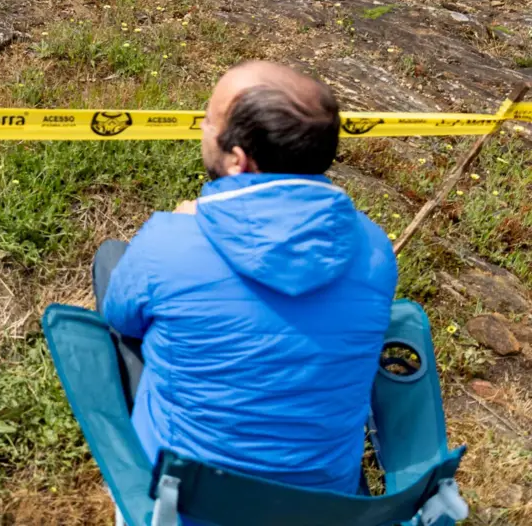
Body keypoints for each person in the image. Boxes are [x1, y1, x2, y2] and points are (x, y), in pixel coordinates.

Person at [94, 61, 398, 494]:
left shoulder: (172, 241)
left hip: (183, 505)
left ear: (238, 159)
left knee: (113, 262)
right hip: (324, 506)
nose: (201, 125)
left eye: (210, 119)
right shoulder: (373, 248)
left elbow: (122, 318)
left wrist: (182, 228)